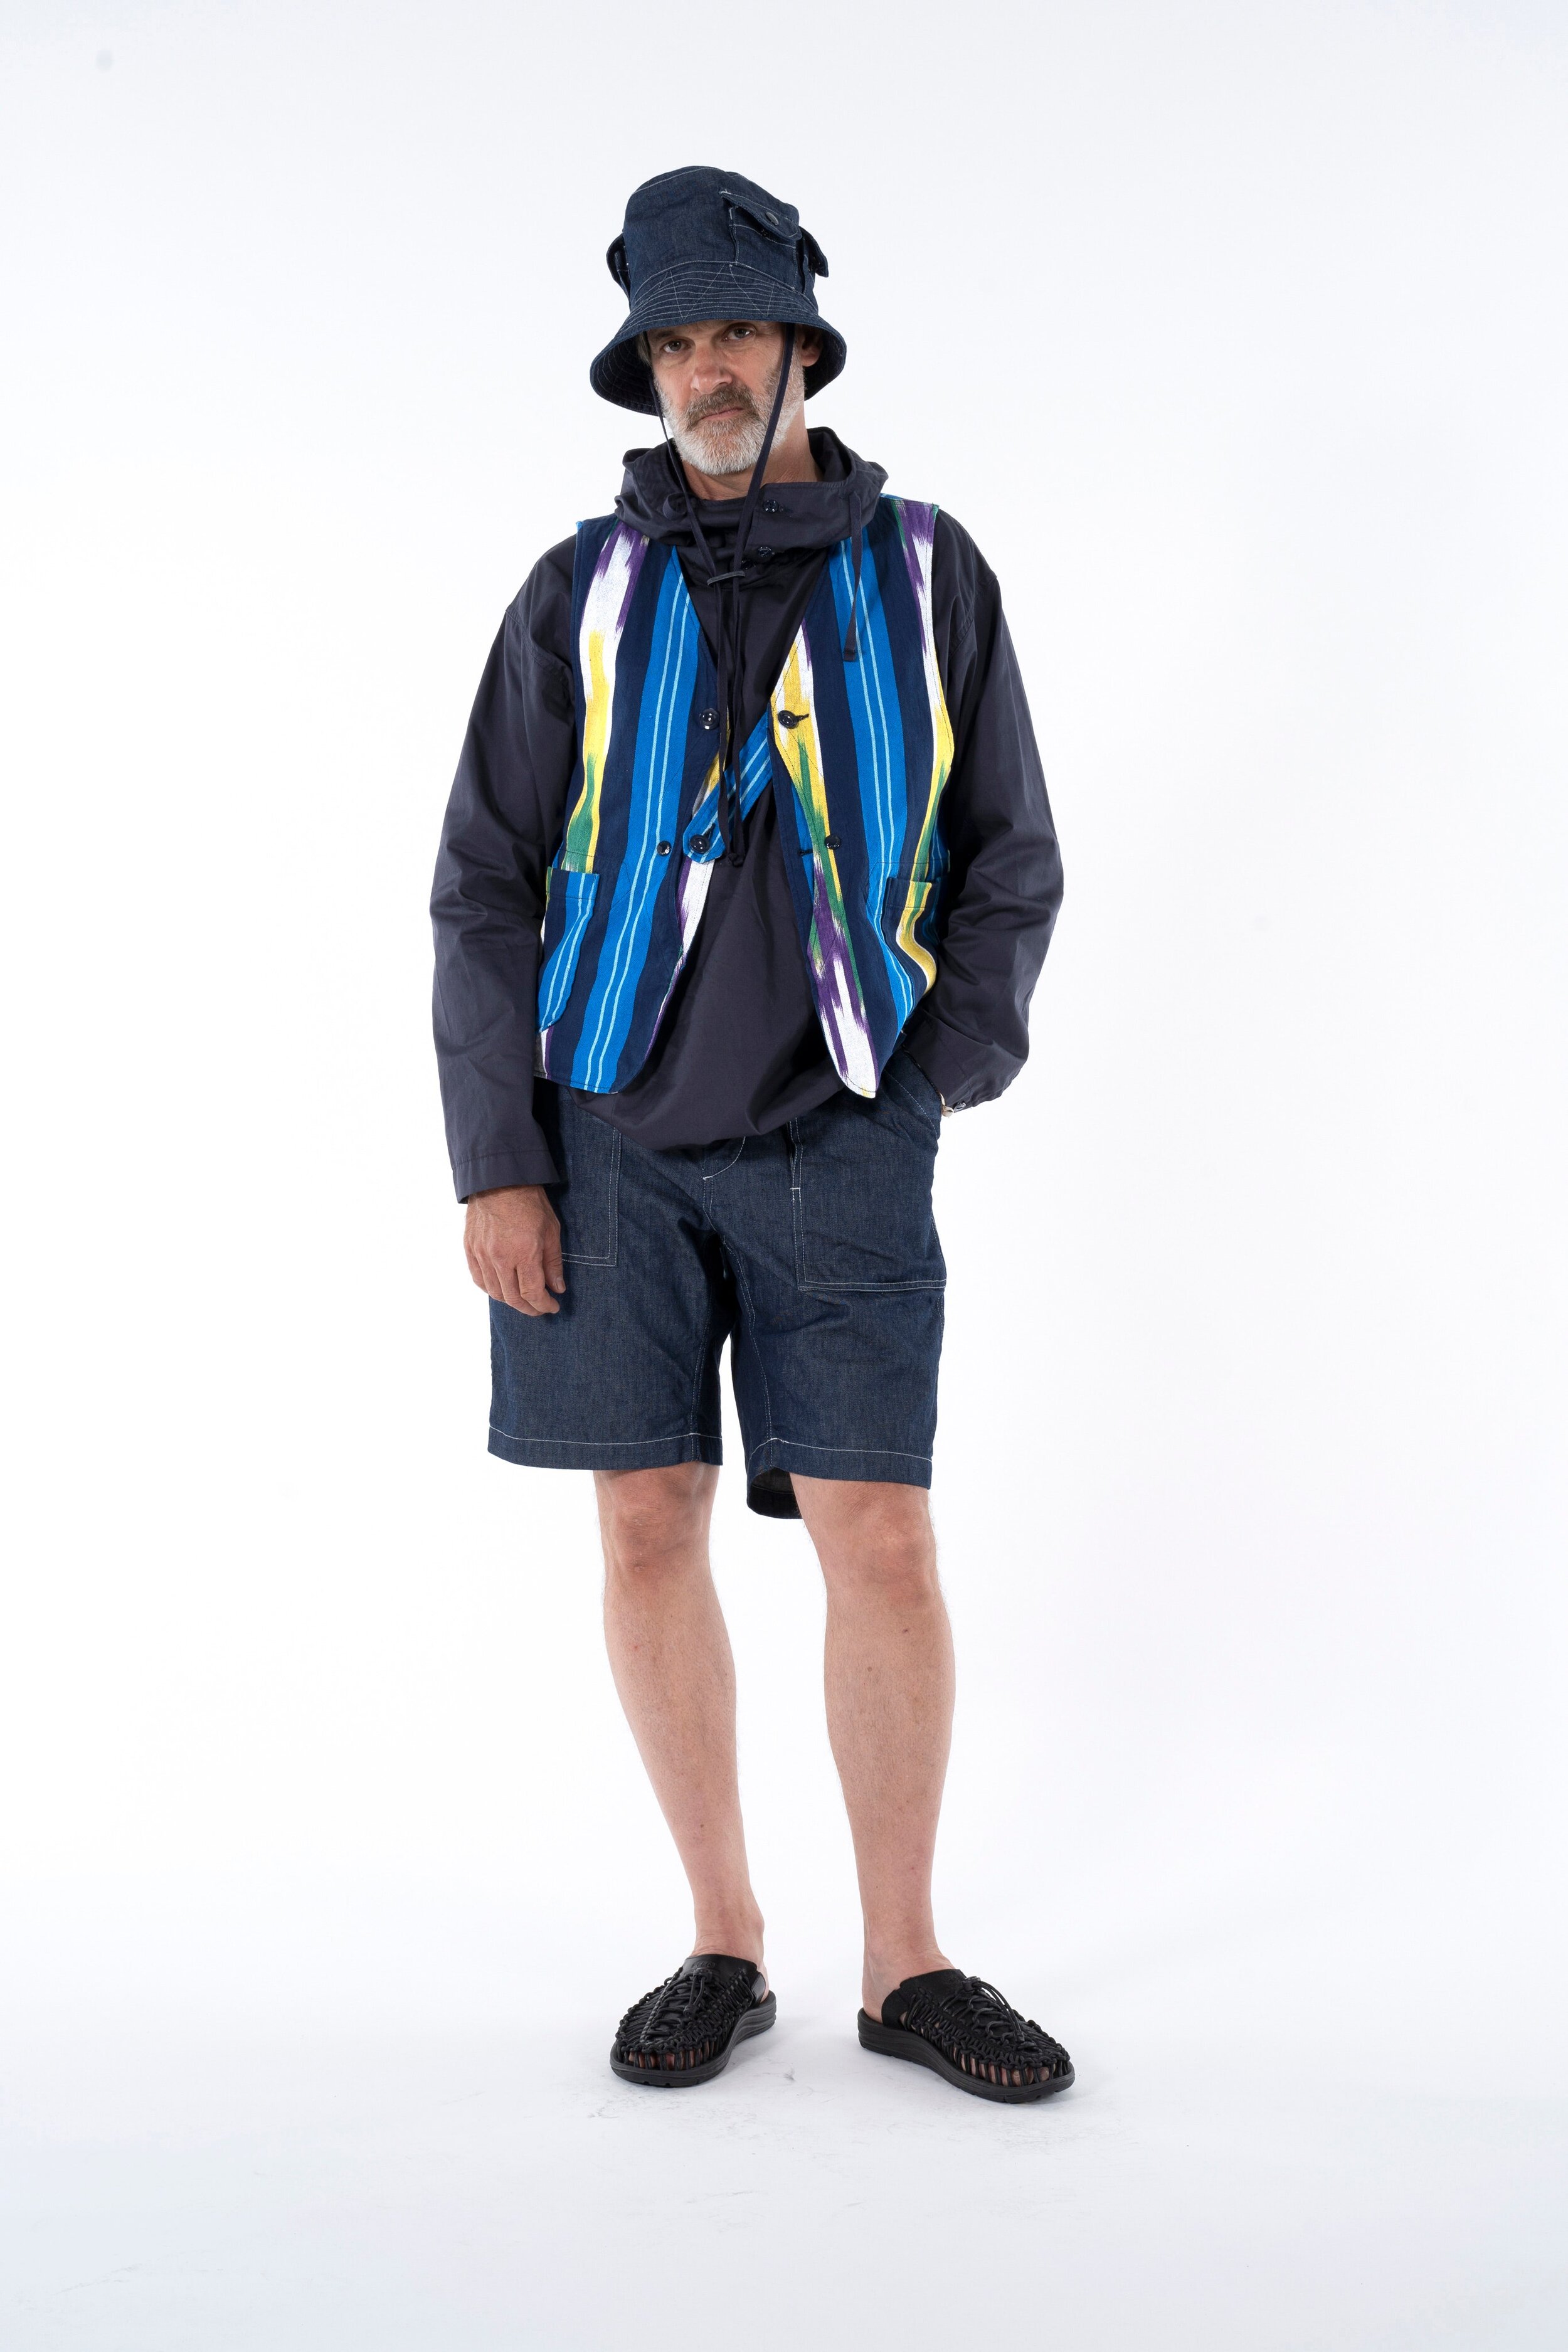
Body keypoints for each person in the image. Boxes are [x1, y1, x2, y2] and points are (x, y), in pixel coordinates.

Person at [430, 167, 1071, 2103]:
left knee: (881, 1537)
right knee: (643, 1522)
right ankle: (722, 1937)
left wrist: (932, 1071)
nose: (707, 368)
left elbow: (1010, 855)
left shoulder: (929, 570)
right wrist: (499, 1159)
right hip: (601, 1137)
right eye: (676, 341)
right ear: (647, 369)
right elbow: (482, 884)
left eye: (737, 332)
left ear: (801, 348)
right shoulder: (576, 590)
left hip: (839, 1135)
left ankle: (905, 1964)